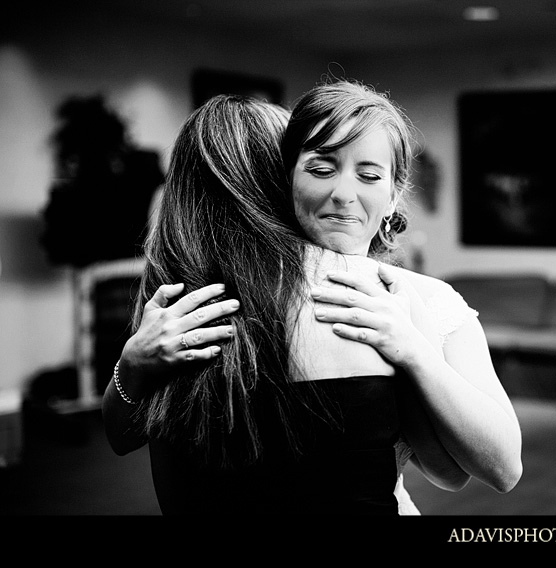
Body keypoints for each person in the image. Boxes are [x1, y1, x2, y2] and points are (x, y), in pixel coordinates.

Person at [103, 82, 522, 515]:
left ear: (395, 191)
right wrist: (132, 364)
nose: (343, 193)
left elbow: (475, 470)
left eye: (369, 174)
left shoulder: (415, 299)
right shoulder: (184, 313)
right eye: (320, 168)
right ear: (283, 183)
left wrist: (416, 350)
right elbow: (447, 473)